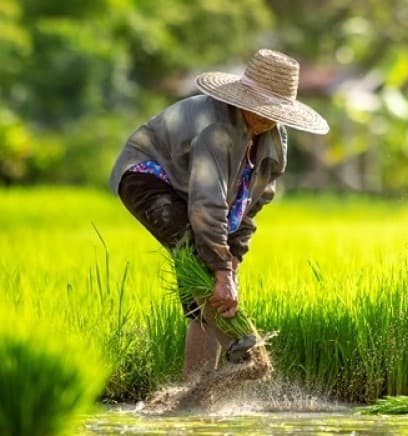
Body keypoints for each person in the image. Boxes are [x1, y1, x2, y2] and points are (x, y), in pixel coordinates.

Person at [108, 49, 329, 380]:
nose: (265, 115)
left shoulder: (274, 139)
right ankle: (244, 349)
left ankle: (196, 389)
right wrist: (222, 272)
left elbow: (252, 204)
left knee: (205, 284)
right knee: (202, 263)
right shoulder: (217, 130)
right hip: (149, 176)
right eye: (258, 106)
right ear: (243, 99)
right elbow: (206, 204)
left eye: (274, 110)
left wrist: (233, 259)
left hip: (196, 193)